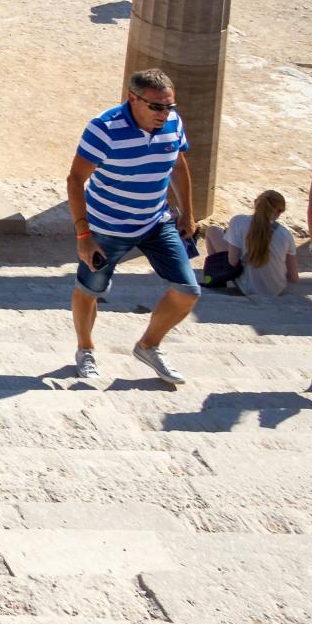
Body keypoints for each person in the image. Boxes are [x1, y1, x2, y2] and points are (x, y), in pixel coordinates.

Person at [65, 67, 199, 386]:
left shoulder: (173, 123)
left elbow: (179, 166)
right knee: (89, 291)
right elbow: (75, 179)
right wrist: (84, 235)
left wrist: (188, 214)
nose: (164, 113)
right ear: (133, 99)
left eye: (169, 106)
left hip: (155, 222)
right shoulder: (104, 129)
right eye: (156, 106)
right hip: (106, 226)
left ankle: (148, 346)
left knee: (188, 291)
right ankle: (85, 349)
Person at [199, 190, 299, 297]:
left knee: (212, 230)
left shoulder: (238, 221)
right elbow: (293, 277)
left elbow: (232, 262)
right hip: (275, 290)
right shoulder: (286, 234)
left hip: (246, 288)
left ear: (256, 204)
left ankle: (218, 276)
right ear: (279, 212)